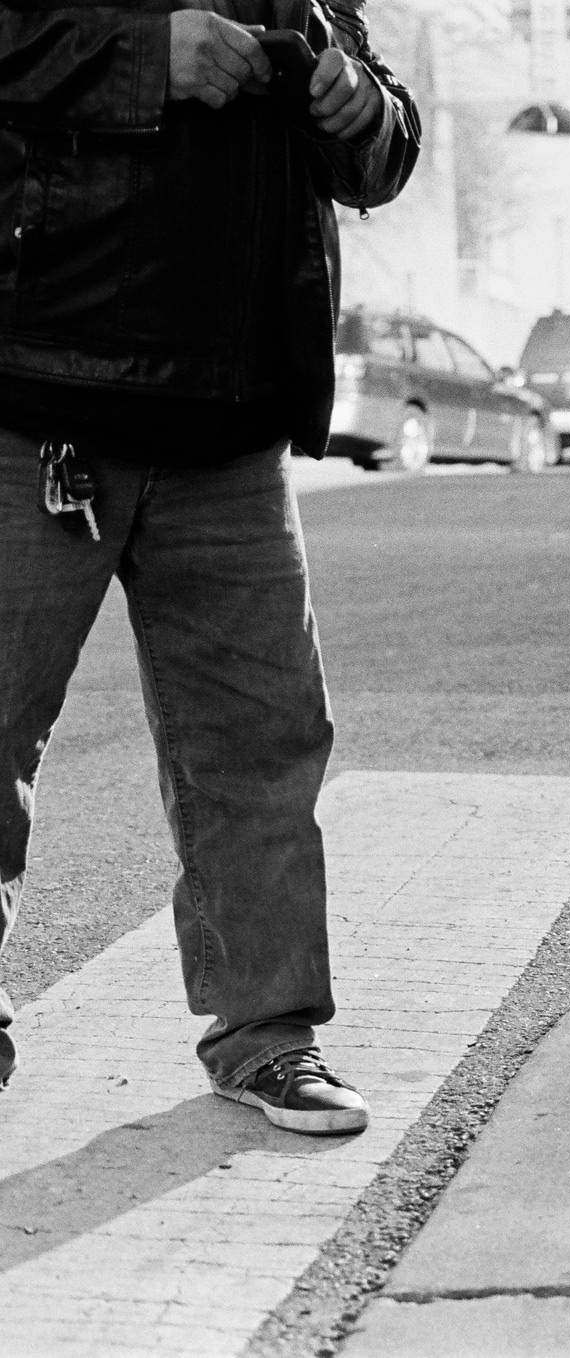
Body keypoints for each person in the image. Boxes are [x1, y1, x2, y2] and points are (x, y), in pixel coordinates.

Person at [0, 0, 421, 1135]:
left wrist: (357, 105)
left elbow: (385, 150)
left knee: (263, 743)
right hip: (36, 395)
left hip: (234, 420)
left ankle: (270, 1037)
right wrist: (144, 56)